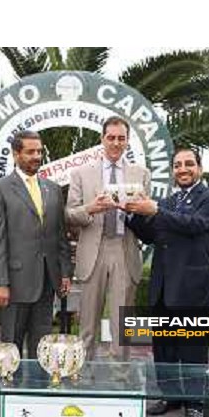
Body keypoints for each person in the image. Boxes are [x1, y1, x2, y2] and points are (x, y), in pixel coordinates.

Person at [125, 148, 209, 417]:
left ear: (199, 168)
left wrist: (156, 210)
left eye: (188, 164)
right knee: (164, 350)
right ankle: (171, 397)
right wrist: (129, 212)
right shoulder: (168, 201)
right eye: (178, 165)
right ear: (172, 170)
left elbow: (195, 225)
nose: (183, 169)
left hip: (194, 289)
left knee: (193, 351)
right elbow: (153, 234)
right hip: (163, 288)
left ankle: (195, 404)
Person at [66, 117, 150, 362]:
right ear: (102, 139)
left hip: (125, 248)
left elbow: (147, 221)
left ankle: (120, 381)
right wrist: (91, 208)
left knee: (121, 327)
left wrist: (139, 209)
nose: (116, 143)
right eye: (111, 137)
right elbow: (69, 214)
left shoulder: (141, 173)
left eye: (121, 138)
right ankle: (82, 377)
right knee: (87, 325)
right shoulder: (81, 173)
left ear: (127, 141)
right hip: (94, 248)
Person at [0, 130, 72, 358]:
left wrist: (64, 273)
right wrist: (1, 282)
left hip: (47, 281)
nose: (36, 156)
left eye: (39, 151)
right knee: (11, 346)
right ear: (16, 154)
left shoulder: (52, 188)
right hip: (14, 284)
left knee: (41, 347)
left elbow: (59, 235)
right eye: (30, 152)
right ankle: (10, 393)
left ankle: (36, 391)